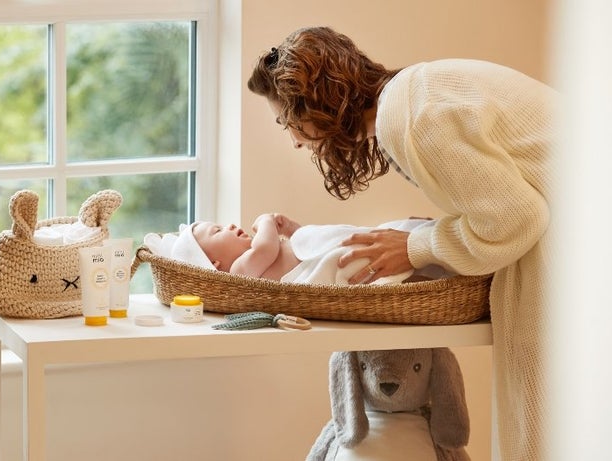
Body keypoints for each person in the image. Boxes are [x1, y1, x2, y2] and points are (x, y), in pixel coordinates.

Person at [247, 26, 556, 461]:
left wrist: (415, 247)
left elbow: (517, 218)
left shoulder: (413, 117)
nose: (295, 140)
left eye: (288, 122)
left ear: (317, 101)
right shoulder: (415, 94)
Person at [154, 213, 450, 285]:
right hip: (323, 264)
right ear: (214, 263)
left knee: (364, 235)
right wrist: (266, 221)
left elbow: (300, 246)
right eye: (218, 231)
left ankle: (420, 235)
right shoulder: (238, 271)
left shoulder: (249, 255)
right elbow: (268, 250)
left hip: (317, 251)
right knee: (358, 251)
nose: (230, 226)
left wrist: (294, 231)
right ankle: (426, 249)